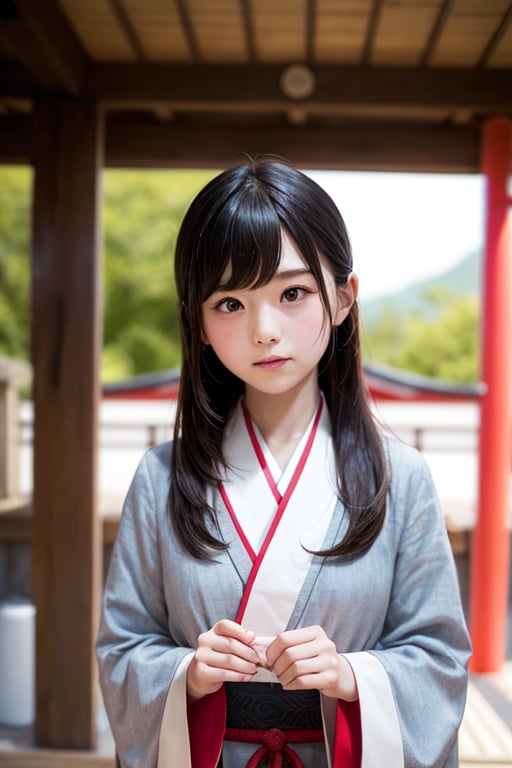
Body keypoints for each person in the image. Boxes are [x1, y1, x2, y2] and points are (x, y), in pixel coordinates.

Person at [96, 157, 471, 768]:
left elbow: (439, 658)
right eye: (229, 304)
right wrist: (188, 672)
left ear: (345, 298)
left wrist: (352, 676)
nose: (264, 330)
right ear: (198, 322)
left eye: (292, 293)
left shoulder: (401, 478)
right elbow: (123, 650)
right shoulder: (160, 479)